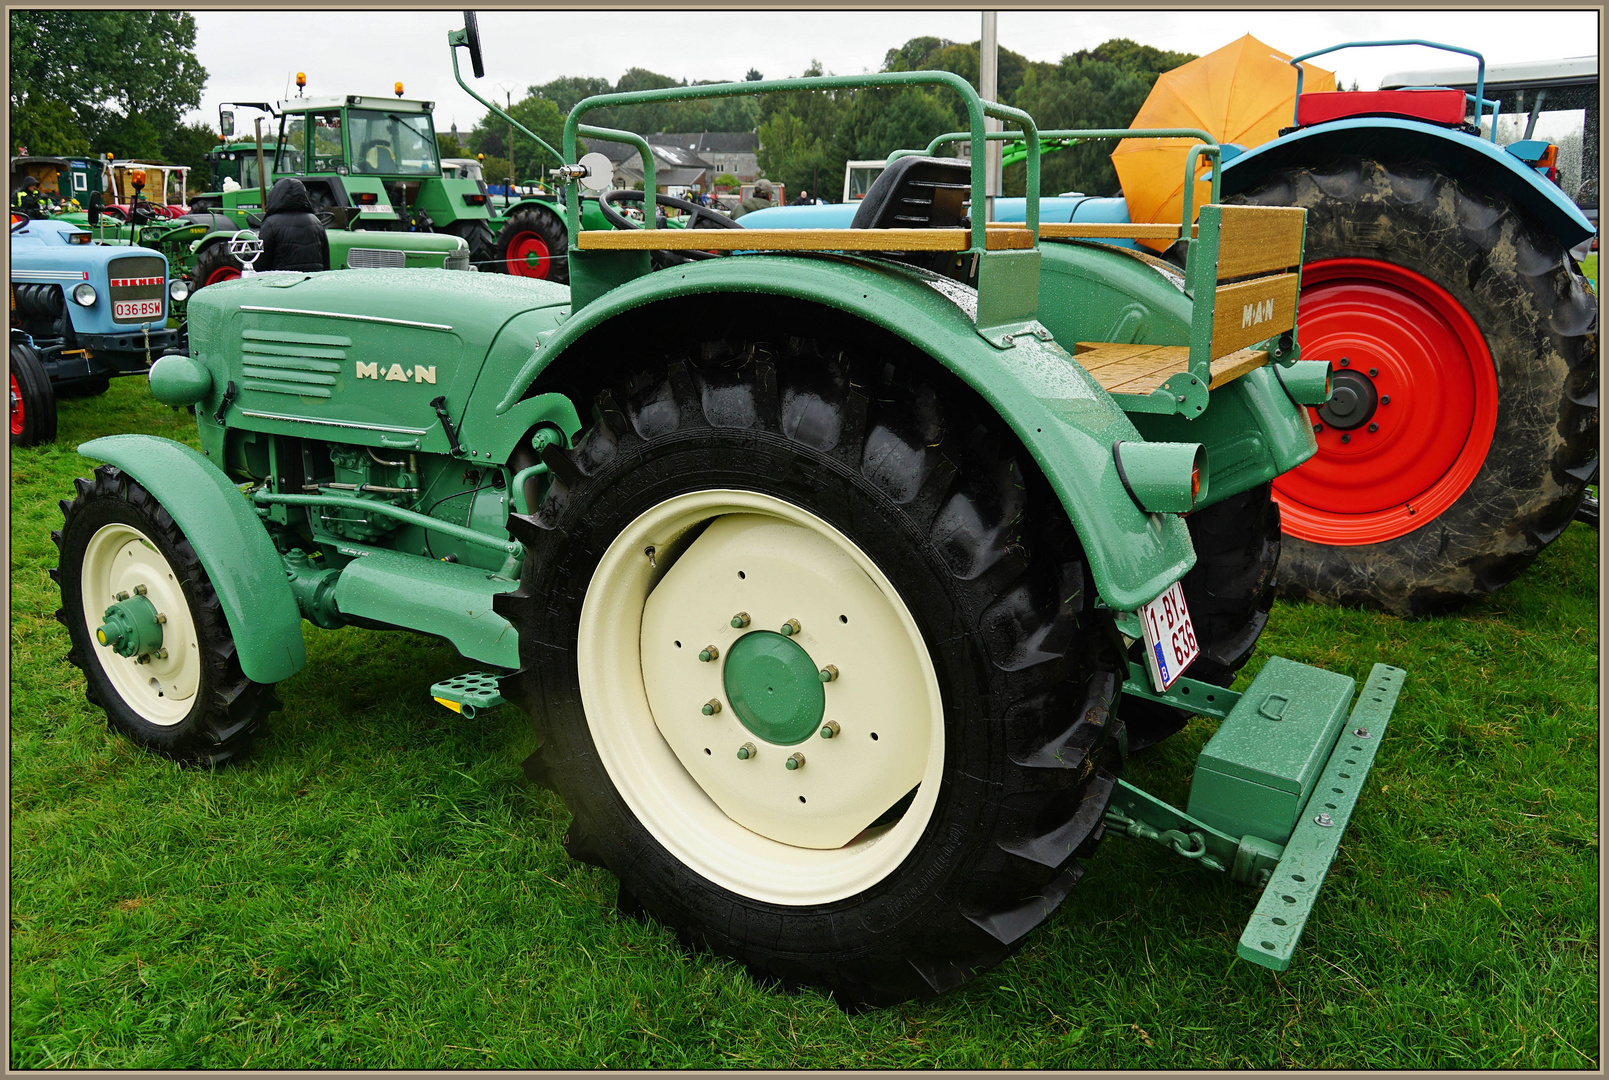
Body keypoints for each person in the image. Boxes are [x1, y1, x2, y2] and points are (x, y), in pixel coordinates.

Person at [255, 177, 329, 273]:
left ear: (276, 195)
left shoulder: (270, 223)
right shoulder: (316, 222)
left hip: (282, 283)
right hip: (312, 282)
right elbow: (326, 261)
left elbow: (261, 264)